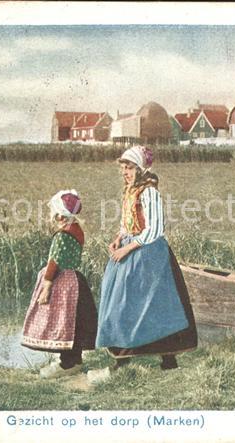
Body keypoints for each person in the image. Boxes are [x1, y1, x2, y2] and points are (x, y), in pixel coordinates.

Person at [88, 146, 197, 383]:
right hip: (132, 248)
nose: (124, 172)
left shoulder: (149, 193)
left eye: (129, 168)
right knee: (128, 304)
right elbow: (128, 221)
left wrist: (128, 247)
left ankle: (154, 361)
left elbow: (155, 230)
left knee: (152, 306)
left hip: (150, 256)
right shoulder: (130, 190)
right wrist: (119, 237)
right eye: (123, 168)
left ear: (139, 169)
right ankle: (130, 359)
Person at [21, 190, 97, 378]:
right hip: (75, 280)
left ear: (59, 215)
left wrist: (46, 287)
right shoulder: (76, 229)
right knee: (73, 320)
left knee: (64, 320)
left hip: (62, 283)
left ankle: (68, 363)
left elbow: (54, 262)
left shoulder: (62, 235)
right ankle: (73, 359)